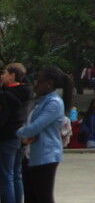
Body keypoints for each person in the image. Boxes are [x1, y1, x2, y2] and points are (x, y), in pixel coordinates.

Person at [17, 66, 73, 203]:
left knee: (43, 197)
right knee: (30, 197)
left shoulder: (54, 103)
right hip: (30, 154)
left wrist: (17, 133)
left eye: (38, 81)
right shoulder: (39, 100)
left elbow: (34, 128)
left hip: (46, 156)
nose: (35, 84)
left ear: (49, 84)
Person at [0, 62, 30, 203]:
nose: (3, 76)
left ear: (12, 75)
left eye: (5, 73)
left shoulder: (6, 95)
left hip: (7, 136)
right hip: (20, 135)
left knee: (6, 176)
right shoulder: (25, 91)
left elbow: (3, 118)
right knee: (16, 174)